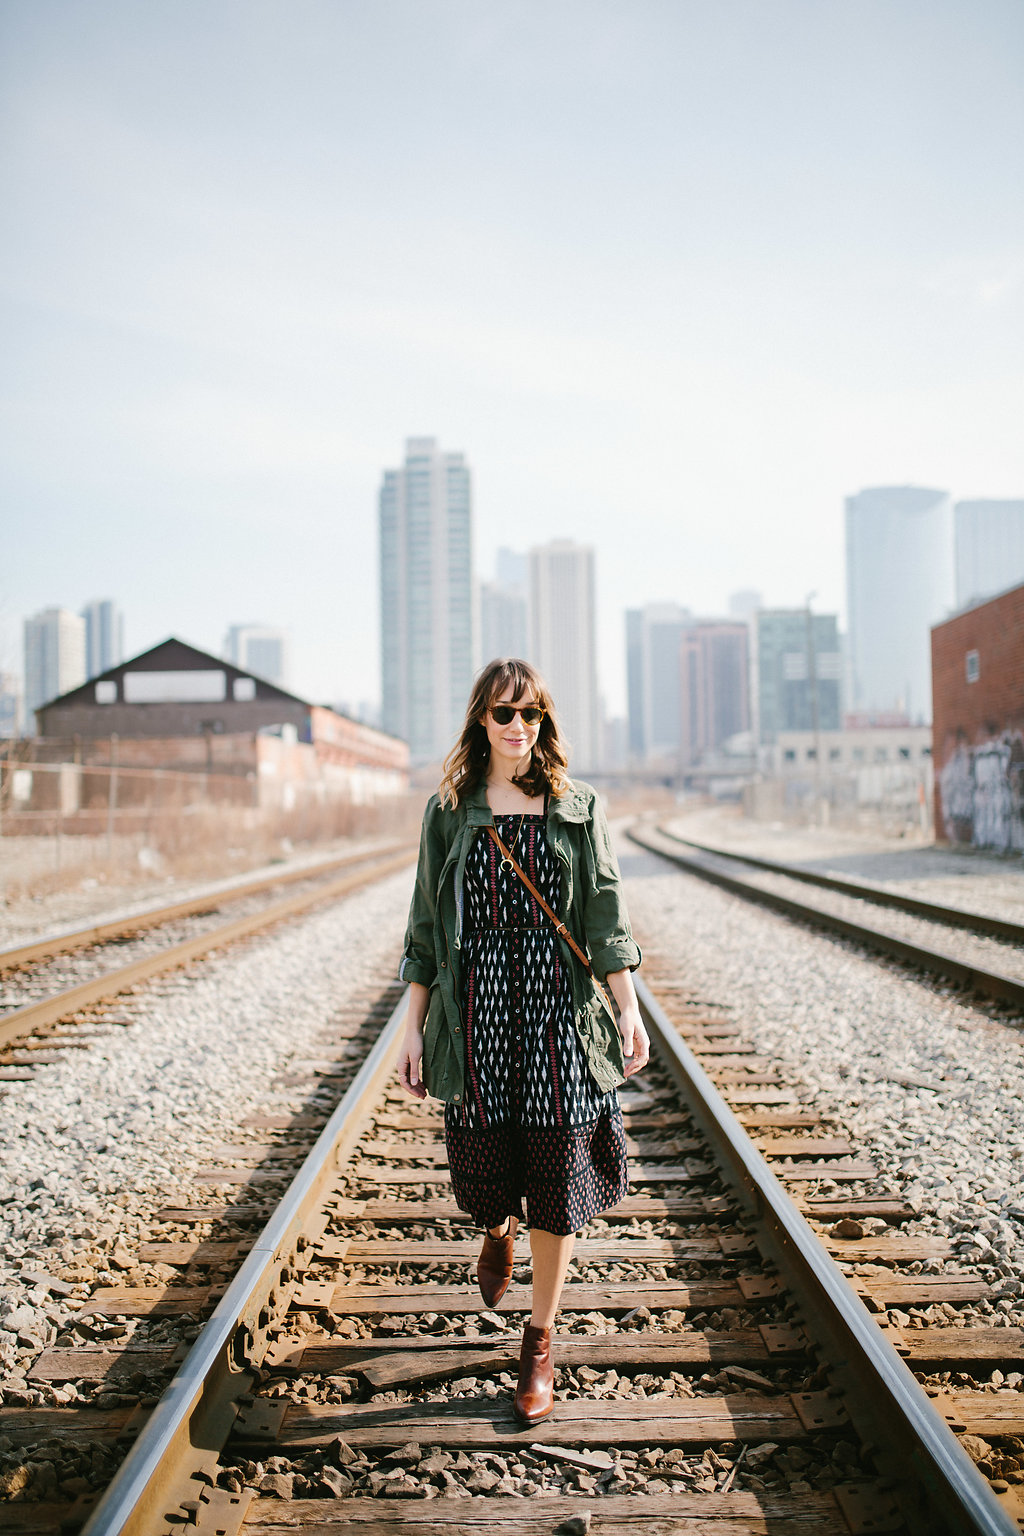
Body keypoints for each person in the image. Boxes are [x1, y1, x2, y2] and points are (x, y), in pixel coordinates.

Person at [396, 657, 648, 1425]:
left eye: (530, 714)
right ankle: (496, 1223)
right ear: (481, 719)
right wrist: (411, 1025)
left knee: (558, 1176)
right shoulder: (451, 810)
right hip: (477, 1012)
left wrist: (628, 1010)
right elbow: (425, 930)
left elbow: (604, 916)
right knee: (488, 1164)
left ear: (544, 722)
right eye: (504, 713)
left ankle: (538, 1341)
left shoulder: (578, 807)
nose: (517, 727)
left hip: (555, 1014)